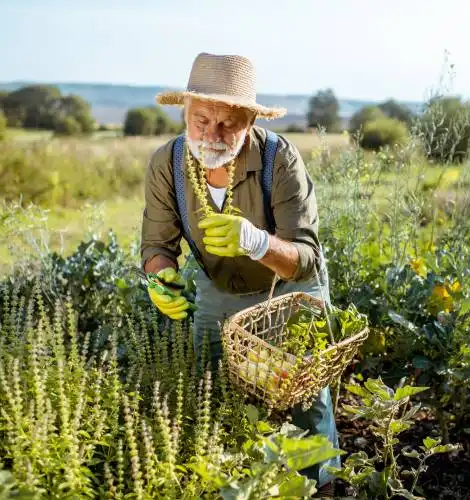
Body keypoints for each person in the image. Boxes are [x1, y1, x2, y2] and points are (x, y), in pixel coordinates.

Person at [139, 52, 338, 496]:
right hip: (219, 288)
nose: (212, 135)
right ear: (185, 114)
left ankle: (319, 487)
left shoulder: (278, 159)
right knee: (216, 391)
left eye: (227, 123)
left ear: (249, 120)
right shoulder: (167, 164)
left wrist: (256, 241)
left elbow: (305, 256)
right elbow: (156, 246)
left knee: (301, 397)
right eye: (200, 120)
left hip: (288, 289)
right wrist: (159, 278)